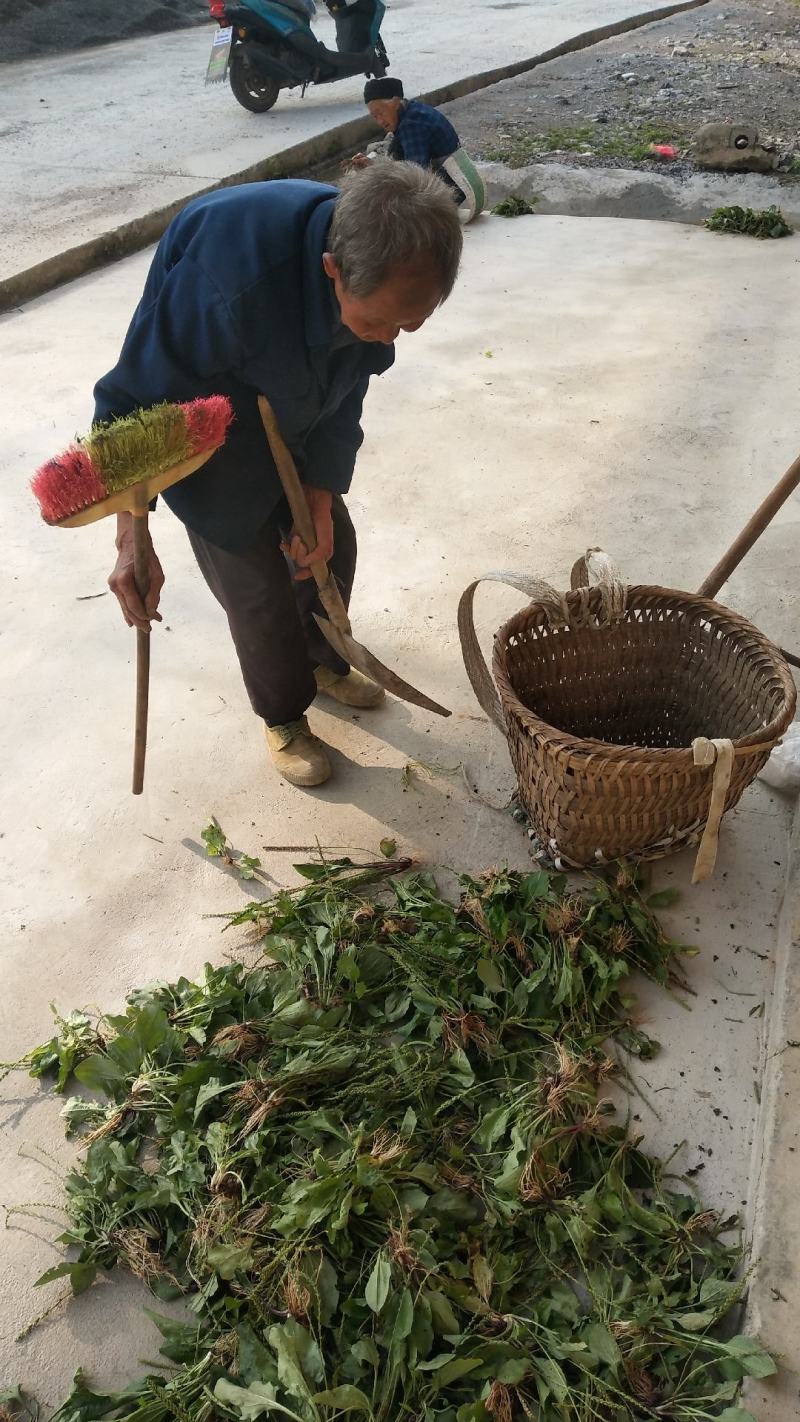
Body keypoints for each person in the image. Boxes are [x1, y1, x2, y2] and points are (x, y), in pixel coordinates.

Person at [98, 163, 462, 789]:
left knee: (330, 545)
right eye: (380, 322)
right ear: (333, 270)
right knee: (258, 588)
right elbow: (136, 404)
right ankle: (283, 714)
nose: (392, 336)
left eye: (411, 323)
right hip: (204, 427)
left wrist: (319, 493)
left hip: (299, 402)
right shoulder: (225, 284)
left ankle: (322, 661)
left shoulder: (378, 269)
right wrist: (134, 537)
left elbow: (352, 380)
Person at [355, 78, 485, 224]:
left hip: (452, 189)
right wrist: (372, 165)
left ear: (396, 102)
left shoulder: (411, 125)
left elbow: (413, 178)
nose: (379, 121)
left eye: (381, 112)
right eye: (374, 116)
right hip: (453, 179)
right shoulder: (411, 110)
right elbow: (397, 159)